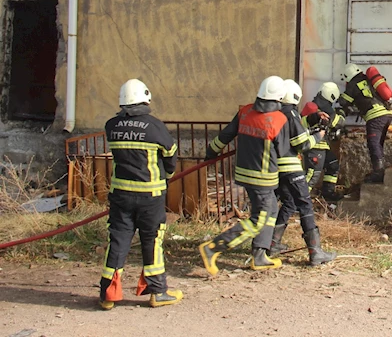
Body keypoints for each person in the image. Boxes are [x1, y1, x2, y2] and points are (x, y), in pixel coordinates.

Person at [99, 79, 182, 310]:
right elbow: (170, 154)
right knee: (152, 241)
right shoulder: (155, 126)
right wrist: (168, 173)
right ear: (146, 99)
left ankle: (108, 295)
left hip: (120, 195)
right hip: (150, 196)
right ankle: (157, 292)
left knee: (117, 240)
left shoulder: (111, 126)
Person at [198, 76, 290, 275]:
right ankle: (213, 248)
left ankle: (260, 255)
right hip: (264, 178)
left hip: (244, 174)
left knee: (271, 210)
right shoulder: (280, 119)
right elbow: (283, 151)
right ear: (279, 98)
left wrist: (211, 152)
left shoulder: (245, 111)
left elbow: (225, 135)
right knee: (259, 219)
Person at [268, 80, 337, 265]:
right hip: (290, 166)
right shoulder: (290, 112)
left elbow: (297, 124)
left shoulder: (278, 112)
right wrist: (318, 136)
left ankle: (273, 243)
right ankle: (315, 252)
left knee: (289, 202)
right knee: (304, 203)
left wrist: (314, 118)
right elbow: (302, 143)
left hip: (277, 167)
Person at [339, 63, 392, 183]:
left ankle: (378, 174)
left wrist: (340, 98)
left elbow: (344, 101)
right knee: (378, 144)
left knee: (373, 144)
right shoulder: (368, 79)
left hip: (375, 117)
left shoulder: (352, 84)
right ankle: (380, 170)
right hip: (387, 114)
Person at [300, 82, 347, 202]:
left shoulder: (313, 105)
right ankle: (298, 199)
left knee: (333, 165)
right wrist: (341, 112)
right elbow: (338, 122)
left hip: (322, 146)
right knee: (312, 175)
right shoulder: (323, 108)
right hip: (314, 147)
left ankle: (328, 192)